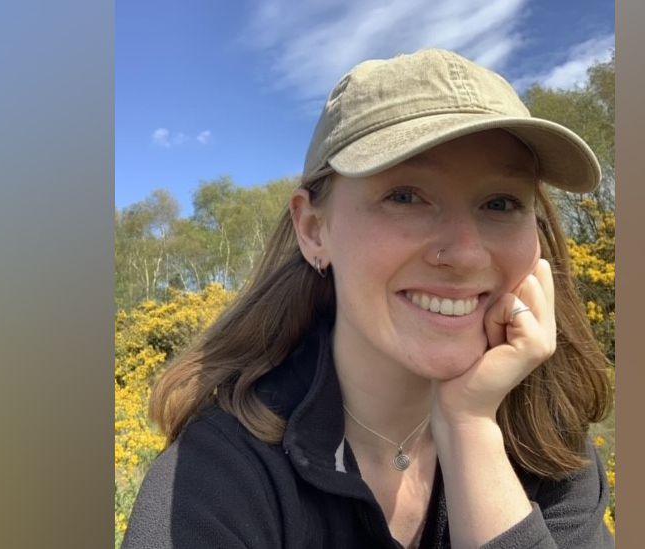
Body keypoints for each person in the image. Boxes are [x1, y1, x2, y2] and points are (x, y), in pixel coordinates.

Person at [122, 48, 614, 549]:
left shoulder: (551, 446)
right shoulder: (221, 480)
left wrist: (470, 429)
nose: (466, 253)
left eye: (502, 203)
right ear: (313, 230)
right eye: (405, 196)